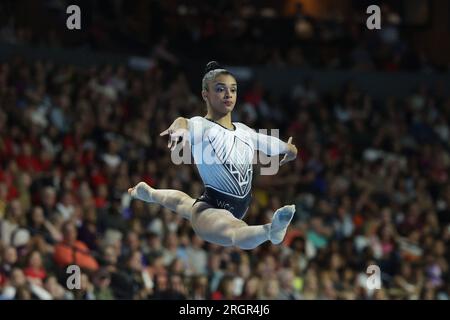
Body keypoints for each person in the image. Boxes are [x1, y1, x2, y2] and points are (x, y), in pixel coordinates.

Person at [128, 61, 298, 250]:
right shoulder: (203, 126)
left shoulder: (244, 131)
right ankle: (270, 231)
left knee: (183, 204)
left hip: (235, 208)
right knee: (234, 230)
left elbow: (277, 146)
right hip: (210, 209)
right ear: (205, 95)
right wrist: (181, 129)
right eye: (220, 89)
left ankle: (150, 193)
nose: (228, 94)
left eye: (232, 90)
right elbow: (184, 122)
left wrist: (290, 151)